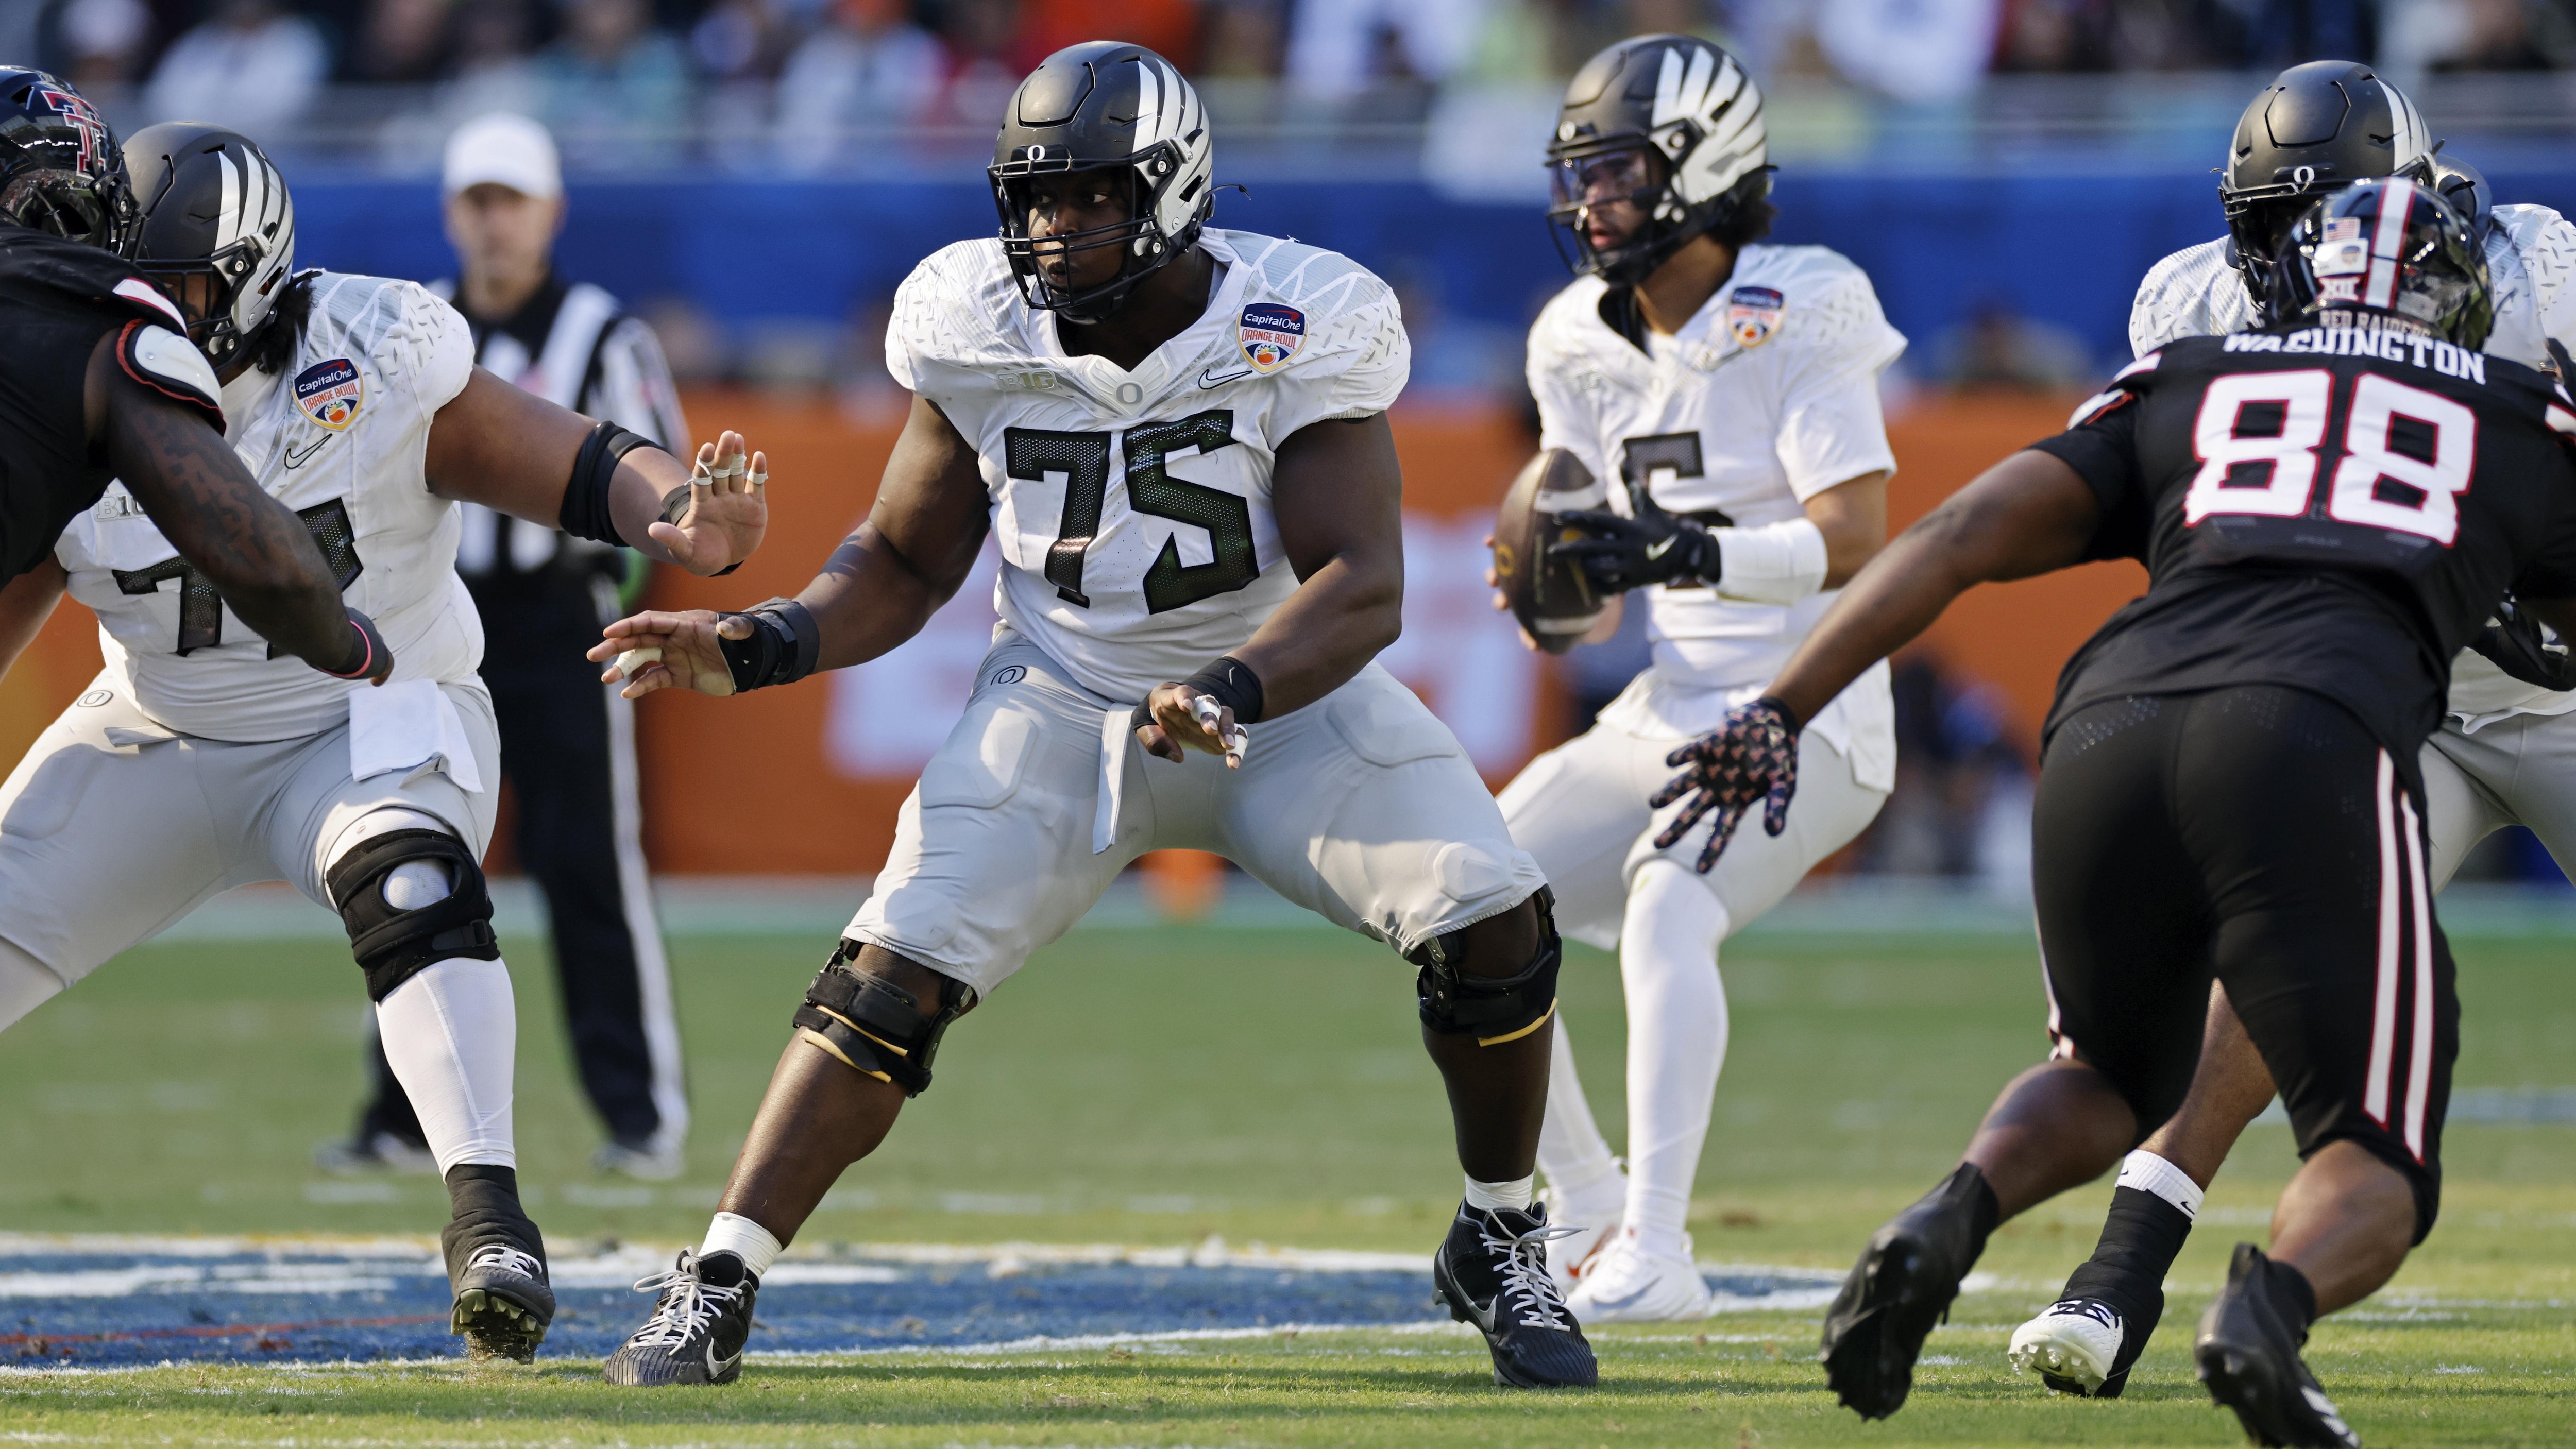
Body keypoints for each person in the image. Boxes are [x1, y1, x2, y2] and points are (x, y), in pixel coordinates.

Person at [589, 41, 1595, 1391]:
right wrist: (760, 641)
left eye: (1088, 197)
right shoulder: (974, 320)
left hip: (1277, 703)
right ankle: (716, 1274)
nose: (1050, 228)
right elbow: (901, 558)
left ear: (1173, 193)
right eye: (1034, 196)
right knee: (889, 971)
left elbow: (1363, 585)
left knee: (1494, 914)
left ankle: (1499, 1229)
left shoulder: (1294, 319)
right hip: (1061, 698)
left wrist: (1233, 686)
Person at [1675, 177, 2576, 1447]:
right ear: (2466, 295)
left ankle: (1950, 1215)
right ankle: (2267, 1313)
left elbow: (1954, 532)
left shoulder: (2194, 370)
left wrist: (1779, 707)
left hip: (2105, 723)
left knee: (2100, 1072)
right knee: (2374, 1146)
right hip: (2312, 732)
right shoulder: (2518, 410)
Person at [0, 120, 768, 1361]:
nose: (139, 307)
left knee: (406, 872)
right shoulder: (70, 378)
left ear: (252, 282)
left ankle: (488, 1216)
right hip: (162, 727)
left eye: (175, 287)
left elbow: (569, 460)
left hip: (369, 713)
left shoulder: (367, 349)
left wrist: (679, 517)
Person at [2008, 59, 2576, 1401]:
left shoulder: (2540, 273)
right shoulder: (2194, 297)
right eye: (2275, 223)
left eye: (2328, 220)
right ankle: (2122, 1270)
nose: (2301, 258)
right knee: (2254, 972)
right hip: (2394, 693)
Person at [1496, 33, 1902, 1321]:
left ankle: (1661, 1250)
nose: (1592, 200)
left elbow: (1857, 534)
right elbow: (1566, 516)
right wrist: (1547, 581)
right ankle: (1587, 1206)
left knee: (1671, 902)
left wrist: (1687, 549)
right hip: (1665, 703)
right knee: (1470, 903)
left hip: (1810, 710)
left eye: (1618, 170)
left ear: (1706, 167)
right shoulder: (1572, 335)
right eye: (1581, 173)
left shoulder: (1803, 300)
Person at [321, 111, 694, 1181]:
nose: (494, 224)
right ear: (452, 213)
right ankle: (398, 1116)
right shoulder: (412, 328)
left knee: (588, 867)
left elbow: (659, 487)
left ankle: (638, 1114)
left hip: (556, 622)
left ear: (549, 212)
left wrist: (628, 606)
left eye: (511, 202)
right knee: (409, 860)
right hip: (435, 618)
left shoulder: (602, 331)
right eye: (477, 203)